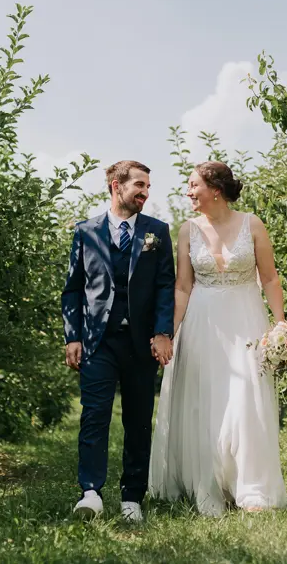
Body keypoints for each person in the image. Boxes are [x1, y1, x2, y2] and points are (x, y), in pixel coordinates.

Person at [149, 161, 287, 516]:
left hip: (245, 320)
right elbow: (183, 287)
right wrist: (170, 333)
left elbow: (270, 279)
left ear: (215, 189)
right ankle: (207, 485)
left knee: (246, 401)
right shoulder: (187, 230)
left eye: (193, 184)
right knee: (205, 402)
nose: (188, 191)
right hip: (201, 321)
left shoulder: (252, 224)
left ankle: (251, 488)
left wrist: (281, 324)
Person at [61, 160, 176, 522]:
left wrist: (162, 333)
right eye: (139, 185)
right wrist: (73, 336)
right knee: (94, 416)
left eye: (147, 188)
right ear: (116, 185)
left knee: (139, 421)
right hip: (98, 341)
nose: (144, 192)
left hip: (142, 343)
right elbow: (73, 289)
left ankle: (132, 498)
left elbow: (164, 286)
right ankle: (91, 493)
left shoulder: (157, 231)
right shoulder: (86, 231)